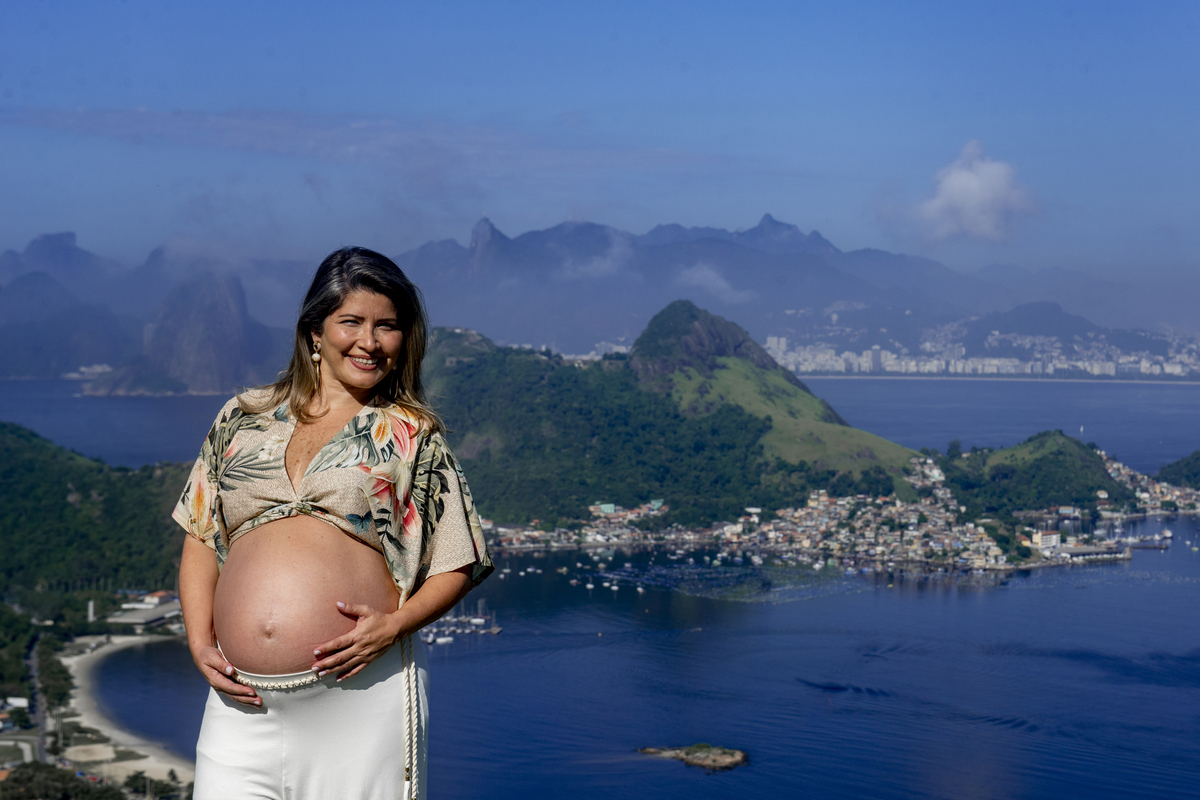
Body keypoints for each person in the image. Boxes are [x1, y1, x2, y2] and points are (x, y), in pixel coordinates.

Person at [175, 247, 493, 800]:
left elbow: (457, 560)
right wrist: (199, 638)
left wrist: (396, 625)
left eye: (387, 326)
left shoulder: (411, 435)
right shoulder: (242, 416)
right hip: (239, 708)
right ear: (314, 333)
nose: (369, 341)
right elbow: (201, 534)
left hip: (358, 704)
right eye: (352, 322)